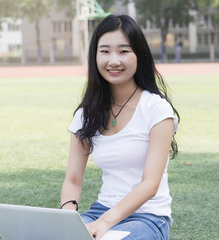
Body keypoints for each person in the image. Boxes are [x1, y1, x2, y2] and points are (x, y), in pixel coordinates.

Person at [60, 14, 179, 240]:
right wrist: (67, 222)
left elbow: (150, 184)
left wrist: (105, 223)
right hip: (100, 210)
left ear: (139, 55)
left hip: (148, 217)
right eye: (105, 51)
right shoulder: (85, 114)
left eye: (124, 51)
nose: (114, 61)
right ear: (95, 56)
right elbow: (73, 179)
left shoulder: (156, 109)